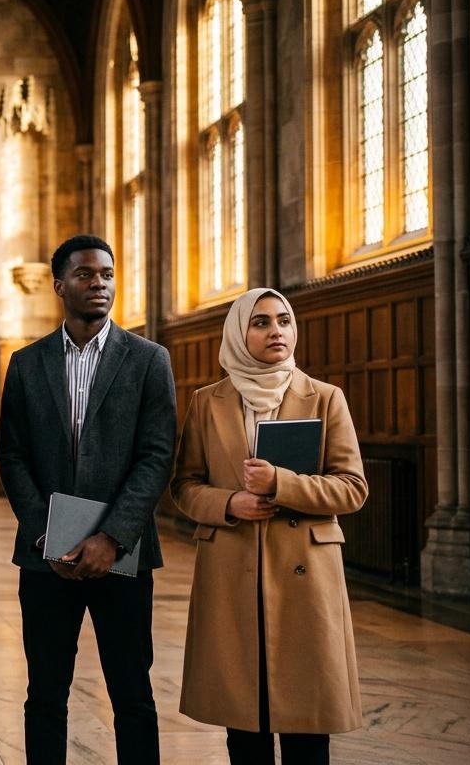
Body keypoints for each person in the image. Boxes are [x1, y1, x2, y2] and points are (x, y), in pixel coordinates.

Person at [0, 234, 177, 764]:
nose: (98, 283)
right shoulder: (27, 364)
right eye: (84, 274)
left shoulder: (148, 359)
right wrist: (46, 533)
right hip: (47, 556)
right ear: (59, 285)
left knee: (133, 695)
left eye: (106, 274)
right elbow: (12, 456)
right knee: (45, 695)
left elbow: (156, 455)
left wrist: (113, 537)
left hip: (122, 556)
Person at [170, 288, 368, 764]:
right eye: (260, 322)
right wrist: (230, 502)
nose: (275, 331)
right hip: (232, 573)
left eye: (283, 321)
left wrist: (281, 483)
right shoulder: (206, 402)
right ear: (239, 333)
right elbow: (184, 486)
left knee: (306, 723)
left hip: (304, 576)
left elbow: (352, 488)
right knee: (244, 723)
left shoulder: (324, 397)